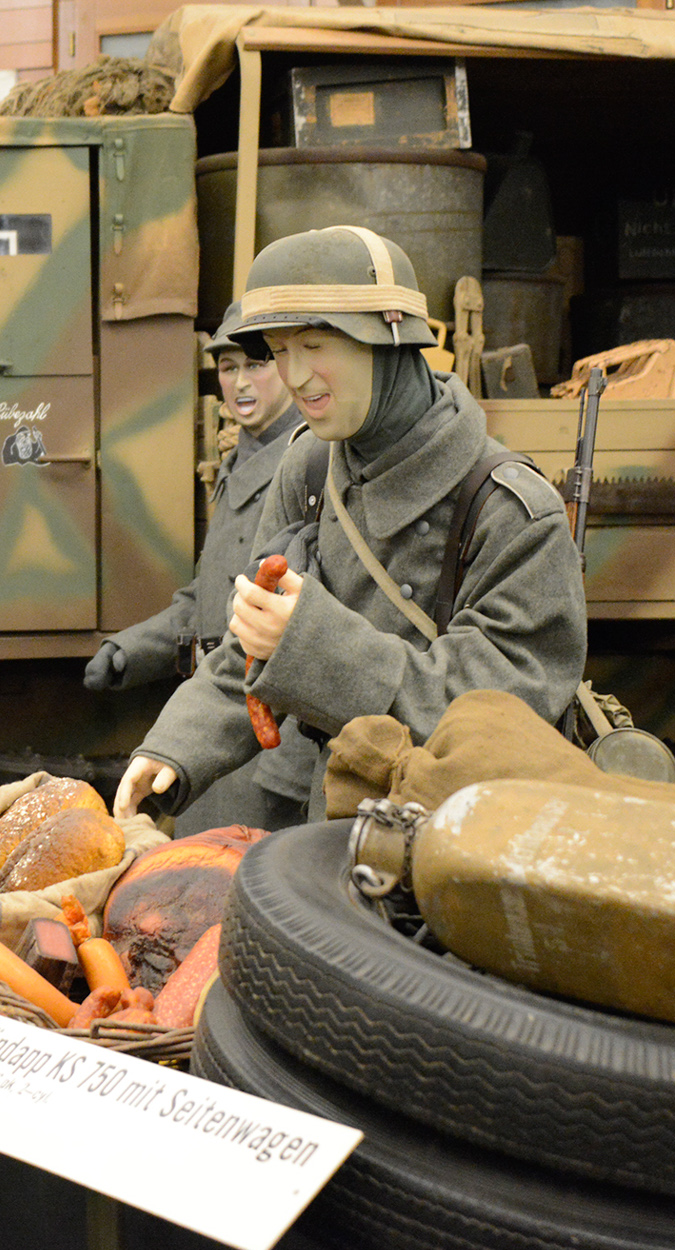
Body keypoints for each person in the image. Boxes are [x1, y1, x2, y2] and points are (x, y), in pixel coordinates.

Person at [115, 226, 587, 821]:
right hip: (334, 818)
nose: (296, 375)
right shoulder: (309, 467)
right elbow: (254, 645)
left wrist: (312, 642)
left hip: (470, 839)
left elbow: (506, 711)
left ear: (388, 341)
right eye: (280, 350)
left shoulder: (511, 510)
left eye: (315, 346)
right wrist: (175, 748)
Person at [84, 305, 317, 830]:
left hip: (259, 738)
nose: (240, 382)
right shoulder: (241, 458)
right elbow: (210, 593)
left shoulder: (306, 460)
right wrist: (131, 650)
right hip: (217, 715)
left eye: (256, 364)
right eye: (228, 367)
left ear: (286, 365)